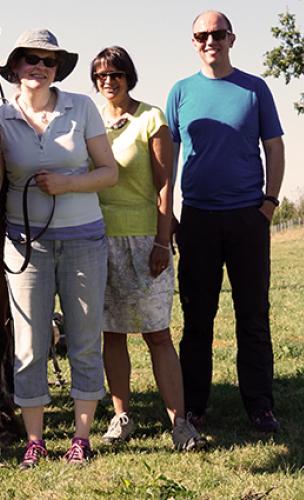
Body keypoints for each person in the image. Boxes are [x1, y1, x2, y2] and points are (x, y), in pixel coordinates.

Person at [0, 29, 118, 467]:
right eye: (30, 59)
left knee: (84, 340)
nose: (39, 67)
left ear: (56, 69)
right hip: (25, 245)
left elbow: (109, 173)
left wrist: (68, 184)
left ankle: (81, 438)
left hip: (84, 238)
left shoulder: (81, 107)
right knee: (29, 343)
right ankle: (35, 440)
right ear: (15, 68)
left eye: (48, 61)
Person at [166, 11, 285, 433]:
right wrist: (170, 214)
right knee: (197, 318)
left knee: (253, 315)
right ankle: (195, 406)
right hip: (197, 218)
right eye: (202, 35)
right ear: (193, 41)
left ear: (231, 38)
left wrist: (269, 203)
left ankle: (260, 405)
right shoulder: (180, 92)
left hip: (247, 217)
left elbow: (273, 147)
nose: (210, 40)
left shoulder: (255, 89)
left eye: (217, 34)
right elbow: (169, 160)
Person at [90, 46, 204, 451]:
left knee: (157, 333)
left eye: (116, 73)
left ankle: (179, 422)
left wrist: (161, 239)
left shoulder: (151, 118)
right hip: (99, 239)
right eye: (101, 75)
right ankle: (122, 417)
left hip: (144, 238)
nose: (108, 81)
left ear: (129, 76)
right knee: (112, 333)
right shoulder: (91, 120)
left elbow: (163, 186)